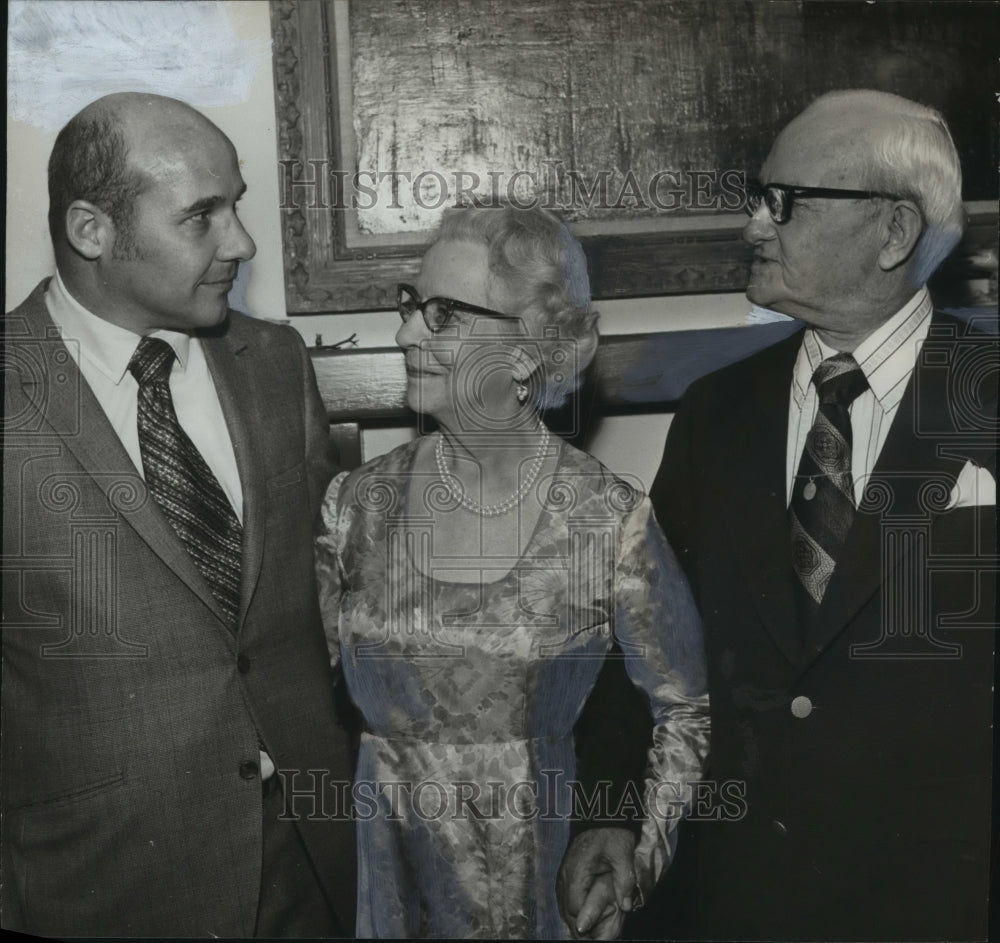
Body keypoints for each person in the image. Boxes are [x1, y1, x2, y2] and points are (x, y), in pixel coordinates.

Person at [569, 89, 998, 941]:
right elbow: (646, 635)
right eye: (758, 198)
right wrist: (609, 811)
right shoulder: (717, 413)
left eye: (785, 202)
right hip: (741, 900)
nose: (755, 226)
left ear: (895, 233)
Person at [2, 92, 355, 937]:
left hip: (316, 866)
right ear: (92, 232)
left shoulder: (274, 363)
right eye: (202, 216)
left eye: (236, 206)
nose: (242, 242)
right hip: (101, 888)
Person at [314, 204, 710, 938]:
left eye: (442, 314)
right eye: (410, 304)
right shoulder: (353, 506)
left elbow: (682, 710)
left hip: (538, 898)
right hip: (380, 890)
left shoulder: (606, 519)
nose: (404, 332)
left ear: (527, 350)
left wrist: (633, 854)